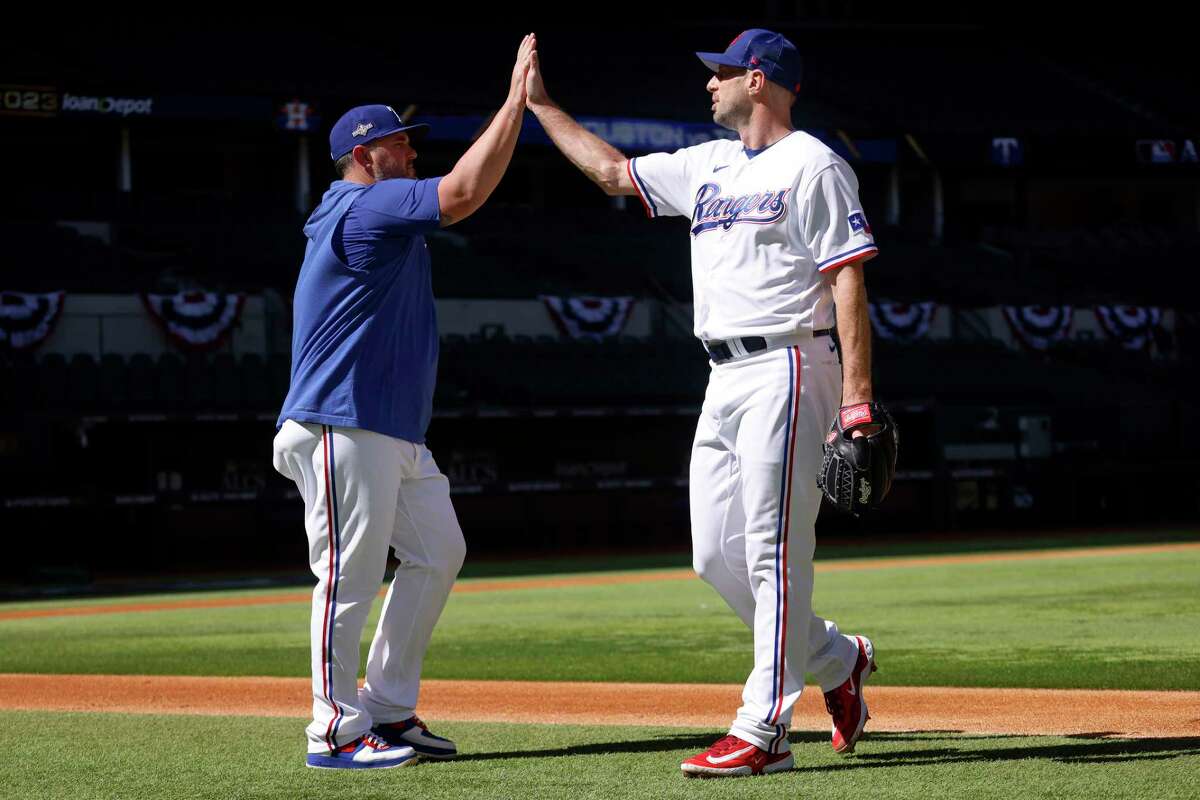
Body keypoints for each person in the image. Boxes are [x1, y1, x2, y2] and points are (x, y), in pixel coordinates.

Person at [525, 29, 880, 777]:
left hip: (788, 361)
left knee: (775, 551)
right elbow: (613, 174)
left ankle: (764, 731)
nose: (707, 84)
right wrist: (541, 107)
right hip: (722, 373)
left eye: (719, 72)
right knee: (715, 554)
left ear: (759, 80)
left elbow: (848, 279)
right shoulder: (707, 164)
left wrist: (857, 402)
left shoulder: (814, 164)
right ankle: (837, 657)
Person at [272, 34, 537, 770]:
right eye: (399, 143)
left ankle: (385, 709)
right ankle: (332, 727)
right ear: (365, 156)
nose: (412, 153)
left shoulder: (375, 210)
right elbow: (462, 193)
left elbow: (458, 193)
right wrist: (516, 104)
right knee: (348, 575)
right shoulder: (365, 207)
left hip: (387, 429)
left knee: (438, 551)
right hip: (339, 419)